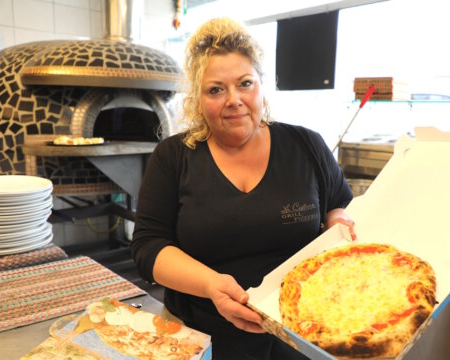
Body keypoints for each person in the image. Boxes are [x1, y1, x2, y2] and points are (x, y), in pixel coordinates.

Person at [131, 17, 356, 360]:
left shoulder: (306, 145)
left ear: (262, 86)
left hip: (303, 331)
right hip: (203, 337)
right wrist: (211, 285)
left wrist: (338, 223)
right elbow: (149, 247)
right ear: (198, 98)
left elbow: (337, 205)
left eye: (245, 84)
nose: (234, 100)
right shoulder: (175, 156)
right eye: (216, 89)